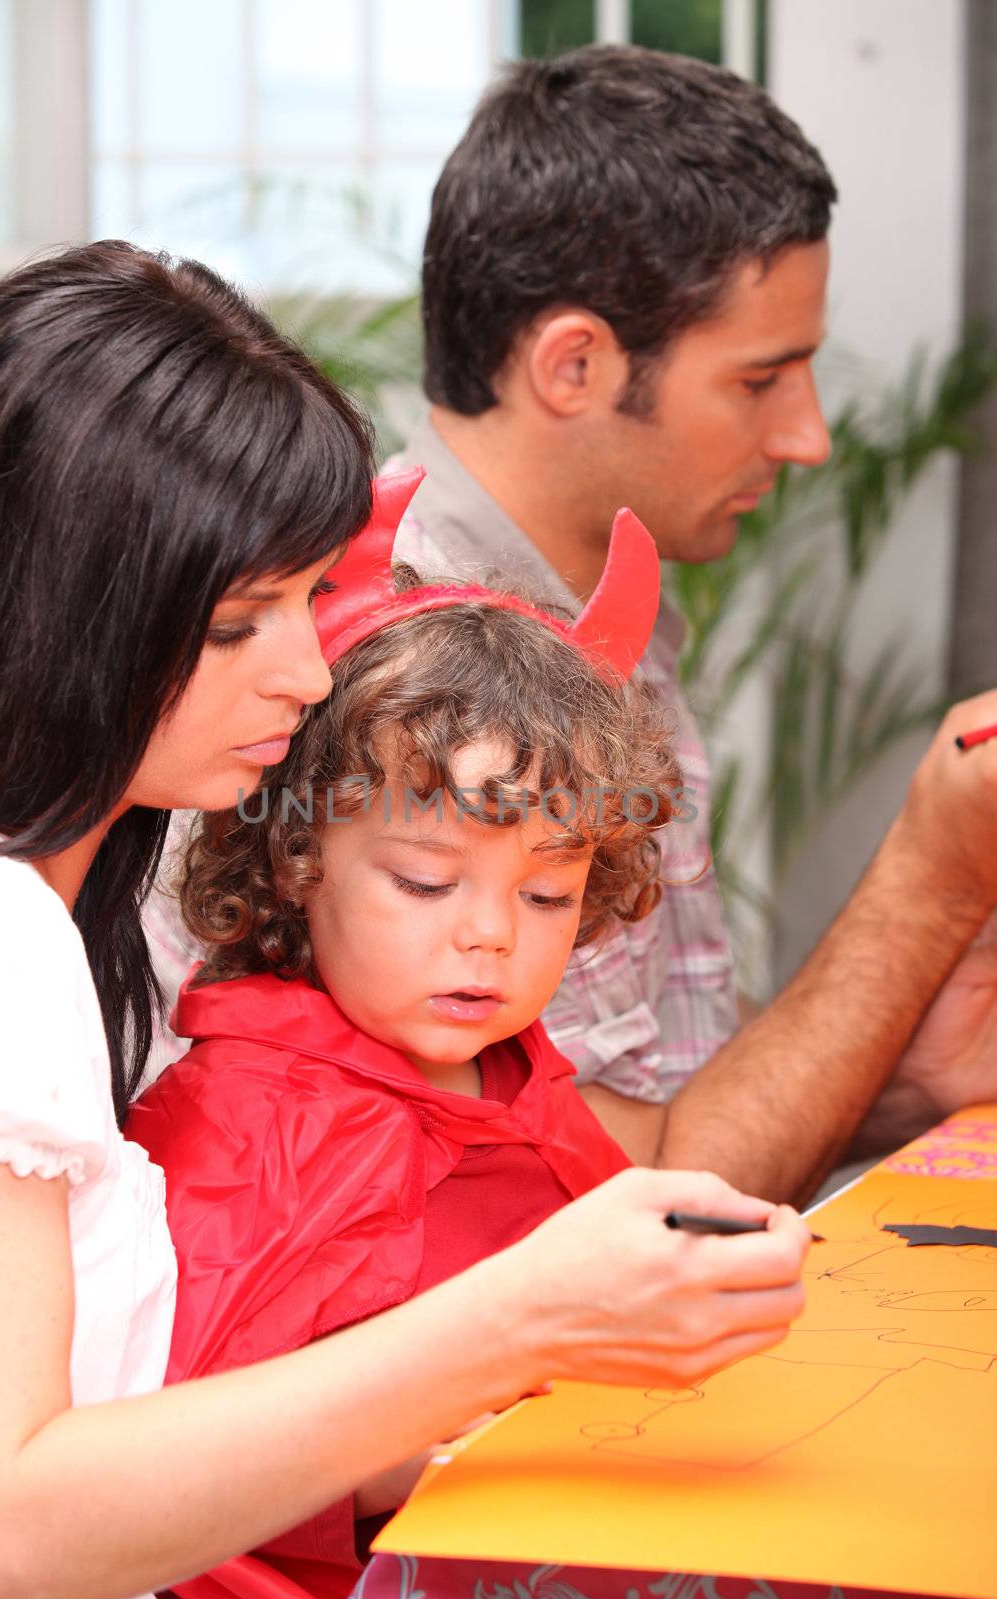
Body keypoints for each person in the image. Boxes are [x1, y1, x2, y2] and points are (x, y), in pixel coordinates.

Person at [0, 242, 811, 1599]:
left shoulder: (53, 909)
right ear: (68, 612)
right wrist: (522, 1319)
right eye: (242, 620)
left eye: (303, 601)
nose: (302, 672)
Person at [144, 46, 997, 1204]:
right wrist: (930, 877)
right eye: (760, 379)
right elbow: (621, 1194)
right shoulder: (391, 663)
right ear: (574, 364)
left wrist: (905, 1080)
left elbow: (682, 1095)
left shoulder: (600, 605)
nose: (808, 438)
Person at [127, 473, 715, 1596]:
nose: (488, 937)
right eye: (424, 881)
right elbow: (199, 1471)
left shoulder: (516, 1073)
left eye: (546, 897)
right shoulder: (241, 1129)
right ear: (297, 856)